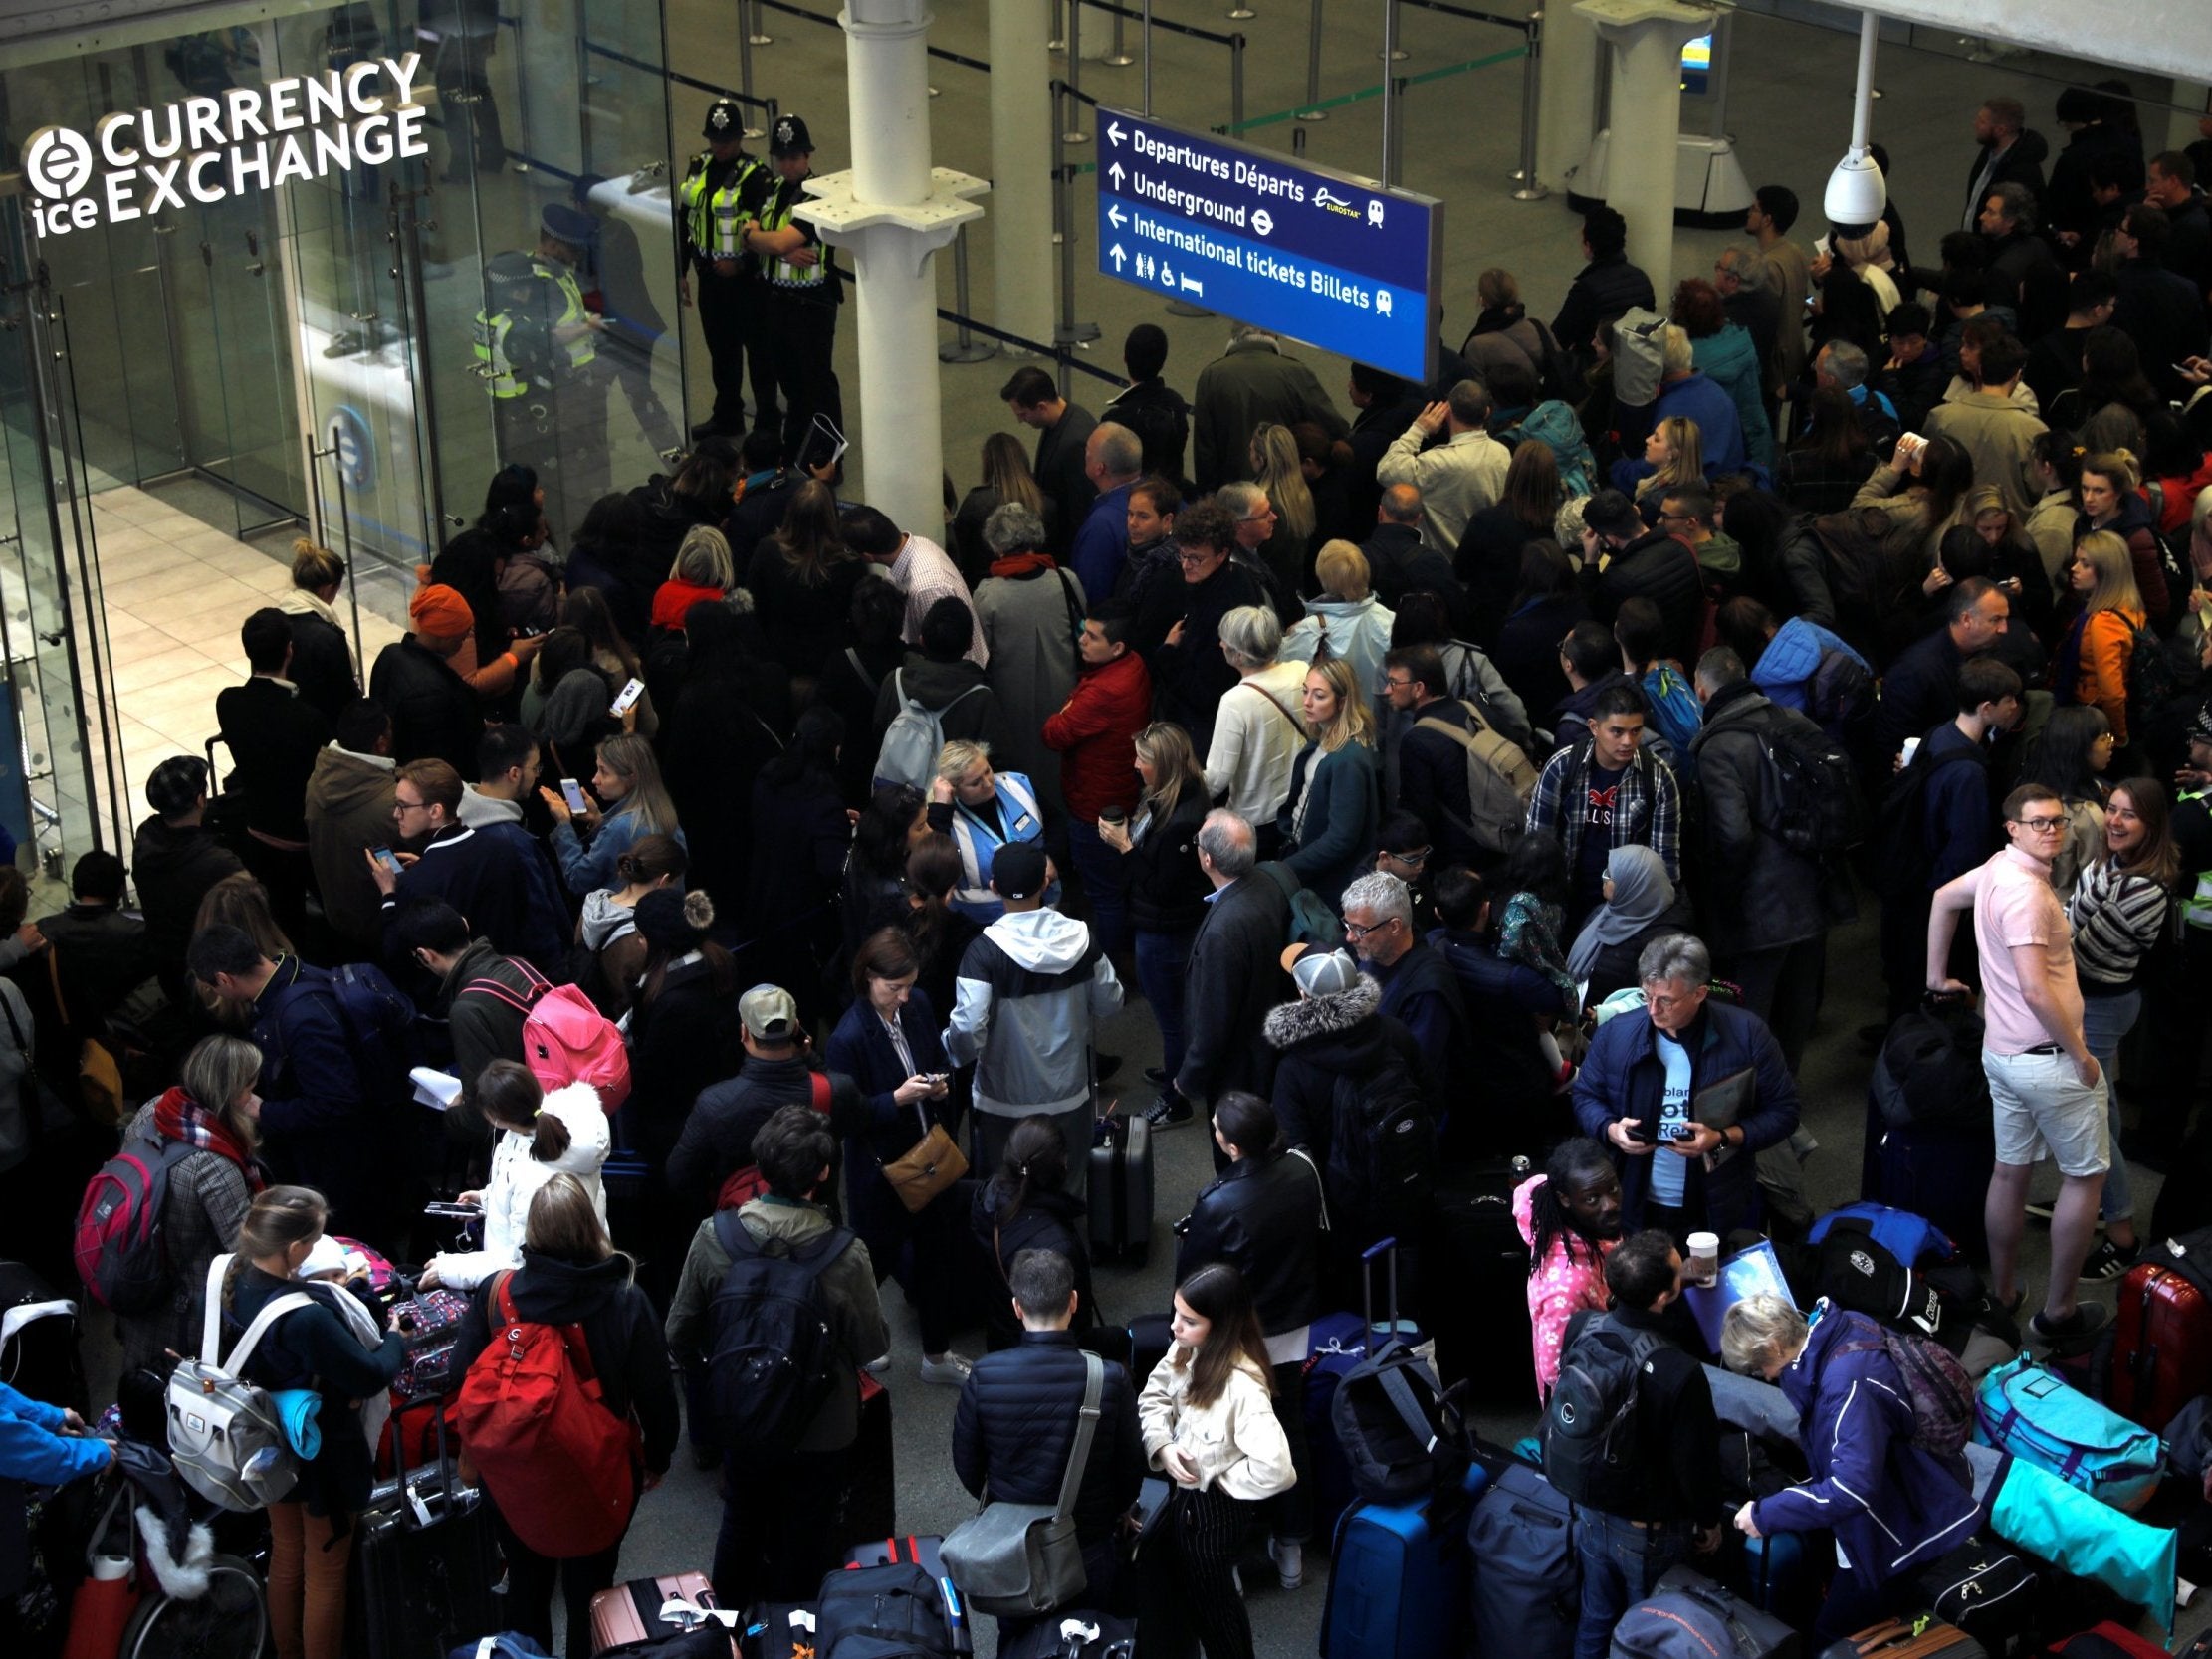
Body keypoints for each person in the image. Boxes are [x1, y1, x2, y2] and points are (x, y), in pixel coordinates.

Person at [666, 1103, 886, 1611]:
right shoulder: (845, 1254)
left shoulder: (713, 1237)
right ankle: (796, 1633)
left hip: (742, 1415)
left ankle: (726, 1632)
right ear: (824, 1173)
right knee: (808, 1535)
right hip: (823, 1424)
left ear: (759, 1170)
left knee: (740, 1519)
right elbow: (873, 1347)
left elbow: (679, 1333)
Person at [451, 1175, 676, 1659]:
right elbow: (656, 1393)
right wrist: (658, 1458)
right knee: (590, 1594)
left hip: (512, 1475)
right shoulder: (624, 1300)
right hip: (599, 1472)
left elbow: (457, 1376)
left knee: (527, 1587)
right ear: (591, 1228)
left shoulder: (498, 1295)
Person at [1926, 784, 2111, 1347]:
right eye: (2037, 823)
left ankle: (2002, 1294)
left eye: (2057, 822)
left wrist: (1936, 977)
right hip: (2049, 1060)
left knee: (2010, 1171)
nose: (2051, 831)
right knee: (2085, 1176)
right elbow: (2036, 990)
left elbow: (1940, 898)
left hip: (2002, 1056)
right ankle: (2058, 1315)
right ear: (2013, 828)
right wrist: (2082, 1058)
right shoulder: (2028, 896)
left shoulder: (1993, 871)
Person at [1722, 1294, 1981, 1642]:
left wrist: (1766, 1514)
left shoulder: (1845, 1384)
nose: (1765, 1378)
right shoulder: (1845, 1326)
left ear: (1774, 1345)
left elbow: (1851, 1488)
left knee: (1834, 1632)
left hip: (1898, 1529)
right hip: (1912, 1484)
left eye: (1758, 1368)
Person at [220, 1185, 406, 1659]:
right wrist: (395, 1338)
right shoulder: (305, 1316)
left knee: (287, 1554)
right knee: (326, 1574)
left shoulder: (229, 1277)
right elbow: (369, 1375)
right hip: (321, 1453)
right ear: (296, 1249)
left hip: (266, 1443)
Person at [1175, 1093, 1323, 1592]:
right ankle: (1292, 1549)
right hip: (1293, 1323)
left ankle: (1230, 1558)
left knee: (1226, 1440)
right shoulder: (1303, 1171)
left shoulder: (1217, 1202)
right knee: (1289, 1429)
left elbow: (1193, 1280)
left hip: (1239, 1337)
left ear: (1232, 1145)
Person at [953, 1247, 1148, 1626]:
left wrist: (1001, 1501)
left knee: (1020, 1638)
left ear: (1017, 1307)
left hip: (1013, 1548)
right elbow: (1130, 1467)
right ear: (1074, 1302)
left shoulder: (985, 1375)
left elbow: (967, 1464)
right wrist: (1116, 1511)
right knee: (1090, 1637)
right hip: (1087, 1542)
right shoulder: (1109, 1378)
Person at [1572, 933, 1802, 1242]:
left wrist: (1722, 1138)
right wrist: (1611, 1129)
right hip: (1633, 1198)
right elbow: (1586, 1095)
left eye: (1666, 1000)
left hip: (1714, 1203)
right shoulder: (1616, 1034)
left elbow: (1785, 1111)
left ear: (1700, 993)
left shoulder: (1747, 1035)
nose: (1653, 1010)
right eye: (1646, 996)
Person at [1560, 1229, 1721, 1659]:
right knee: (1647, 1633)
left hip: (1590, 1506)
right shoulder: (1678, 1371)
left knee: (1595, 1615)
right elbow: (1696, 1463)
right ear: (1666, 1296)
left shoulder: (1581, 1326)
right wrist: (1709, 1521)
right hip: (1648, 1530)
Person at [1688, 647, 1850, 1067]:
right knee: (1797, 1011)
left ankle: (1749, 1108)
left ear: (1701, 691)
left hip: (1760, 909)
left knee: (1749, 1015)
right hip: (1813, 891)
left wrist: (1721, 898)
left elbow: (1732, 836)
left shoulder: (1718, 749)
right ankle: (1786, 1096)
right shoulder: (1794, 721)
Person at [185, 926, 393, 1244]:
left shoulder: (301, 1016)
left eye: (214, 988)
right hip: (349, 1151)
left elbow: (336, 1101)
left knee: (357, 1240)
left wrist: (264, 1112)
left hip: (344, 1163)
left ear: (225, 980)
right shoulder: (296, 974)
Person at [828, 929, 973, 1383]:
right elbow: (846, 1119)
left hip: (930, 1157)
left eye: (909, 985)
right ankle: (859, 1347)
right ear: (868, 978)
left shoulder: (920, 1006)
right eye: (894, 988)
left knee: (937, 1257)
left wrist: (940, 1083)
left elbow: (935, 1056)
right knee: (873, 1265)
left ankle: (936, 1356)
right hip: (882, 1174)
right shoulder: (848, 1038)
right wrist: (897, 1098)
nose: (904, 996)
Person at [1137, 1262, 1297, 1659]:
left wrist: (1217, 1476)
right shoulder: (1187, 1347)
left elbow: (1277, 1469)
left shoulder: (1243, 1390)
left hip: (1214, 1512)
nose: (1174, 1326)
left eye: (1188, 1320)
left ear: (1221, 1325)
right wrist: (1162, 1445)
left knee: (1215, 1608)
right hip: (1186, 1502)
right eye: (1176, 1313)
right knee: (1193, 1593)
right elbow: (1154, 1395)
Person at [946, 841, 1122, 1189]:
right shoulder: (1082, 938)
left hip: (1003, 1100)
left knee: (1005, 1190)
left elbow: (967, 1031)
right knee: (1066, 1187)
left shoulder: (982, 953)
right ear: (1045, 883)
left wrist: (948, 1049)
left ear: (994, 887)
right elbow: (1111, 1002)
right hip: (1069, 1091)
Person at [2065, 777, 2176, 1281]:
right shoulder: (2113, 866)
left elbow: (2074, 941)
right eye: (2112, 809)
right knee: (2091, 1113)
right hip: (2088, 1000)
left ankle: (2123, 1233)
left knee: (2100, 1120)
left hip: (2107, 1007)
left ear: (2150, 826)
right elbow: (2071, 916)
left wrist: (2065, 912)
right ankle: (2091, 1199)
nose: (2114, 821)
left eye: (2129, 815)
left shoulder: (2146, 888)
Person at [113, 1035, 264, 1371]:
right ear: (228, 1093)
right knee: (180, 1395)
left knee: (140, 1384)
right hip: (186, 1307)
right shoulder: (214, 1162)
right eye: (248, 1088)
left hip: (136, 1272)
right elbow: (244, 1248)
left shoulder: (155, 1109)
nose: (254, 1096)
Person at [1100, 724, 1211, 1127]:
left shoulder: (1181, 819)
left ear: (1162, 766)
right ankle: (1180, 1071)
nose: (1135, 766)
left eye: (1142, 760)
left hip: (1166, 930)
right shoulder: (1178, 793)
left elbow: (1162, 888)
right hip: (1161, 924)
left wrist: (1124, 846)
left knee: (1171, 1019)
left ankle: (1175, 1099)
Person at [417, 1060, 608, 1293]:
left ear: (495, 1117)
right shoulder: (545, 1126)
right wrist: (485, 1199)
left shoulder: (535, 1182)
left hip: (546, 1297)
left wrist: (449, 1269)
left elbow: (523, 1266)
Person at [374, 757, 567, 977]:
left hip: (468, 992)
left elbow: (397, 955)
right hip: (519, 976)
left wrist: (389, 894)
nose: (395, 814)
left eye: (403, 806)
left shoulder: (415, 884)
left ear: (436, 811)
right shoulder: (504, 846)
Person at [1043, 597, 1154, 955]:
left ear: (1116, 647)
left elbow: (1053, 733)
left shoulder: (1103, 691)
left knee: (1103, 895)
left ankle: (1111, 967)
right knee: (1117, 886)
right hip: (1121, 791)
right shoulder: (1134, 664)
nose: (1081, 641)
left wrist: (1068, 708)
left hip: (1093, 806)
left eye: (1091, 637)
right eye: (1083, 632)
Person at [1526, 681, 1682, 933]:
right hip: (1563, 897)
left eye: (1636, 731)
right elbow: (1535, 847)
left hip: (1624, 908)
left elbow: (1665, 868)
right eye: (1617, 732)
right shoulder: (1561, 767)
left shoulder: (1658, 778)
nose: (1627, 742)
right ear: (1594, 728)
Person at [1174, 812, 1293, 1132]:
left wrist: (1187, 1079)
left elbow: (1215, 1017)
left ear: (1207, 860)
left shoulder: (1223, 931)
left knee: (1232, 1147)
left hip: (1237, 1066)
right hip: (1267, 1040)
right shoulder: (1272, 876)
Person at [975, 502, 1084, 815]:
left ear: (996, 545)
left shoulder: (988, 594)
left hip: (1011, 704)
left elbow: (980, 652)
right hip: (1066, 698)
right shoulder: (1065, 580)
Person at [745, 114, 842, 463]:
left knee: (817, 386)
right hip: (777, 302)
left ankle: (828, 458)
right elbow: (752, 233)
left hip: (811, 305)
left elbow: (776, 241)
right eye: (782, 157)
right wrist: (760, 240)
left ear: (808, 157)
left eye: (794, 157)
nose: (788, 164)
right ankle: (797, 450)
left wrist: (768, 242)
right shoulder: (771, 189)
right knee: (791, 386)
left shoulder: (817, 196)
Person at [676, 98, 769, 440]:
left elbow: (767, 229)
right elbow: (685, 219)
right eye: (715, 140)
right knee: (721, 351)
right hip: (709, 278)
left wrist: (742, 264)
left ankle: (765, 424)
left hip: (747, 283)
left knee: (758, 354)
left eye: (727, 141)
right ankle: (727, 415)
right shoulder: (698, 166)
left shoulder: (756, 176)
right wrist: (680, 270)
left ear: (740, 139)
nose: (720, 147)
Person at [1145, 503, 1266, 753]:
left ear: (1222, 554)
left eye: (1196, 558)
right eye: (1182, 555)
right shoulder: (1238, 576)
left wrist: (1168, 652)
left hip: (1206, 731)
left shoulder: (1223, 611)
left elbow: (1202, 693)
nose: (1186, 565)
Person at [972, 1117, 1099, 1350]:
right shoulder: (1057, 1244)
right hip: (1051, 1351)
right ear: (1062, 1166)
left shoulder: (986, 1196)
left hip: (1002, 1331)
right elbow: (1075, 1316)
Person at [1514, 1138, 1624, 1401]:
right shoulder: (1566, 1288)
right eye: (1592, 1198)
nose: (1610, 1205)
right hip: (1589, 1406)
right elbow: (1556, 1374)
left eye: (1613, 1189)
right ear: (1564, 1199)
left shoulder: (1574, 1210)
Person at [1873, 577, 2016, 778]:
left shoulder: (1991, 652)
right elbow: (1893, 744)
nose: (2004, 629)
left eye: (2005, 619)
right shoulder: (1915, 671)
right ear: (1967, 620)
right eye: (1995, 620)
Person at [1342, 869, 1472, 1087]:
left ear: (1394, 926)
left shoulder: (1428, 990)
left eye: (1359, 929)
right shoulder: (1372, 952)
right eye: (1347, 924)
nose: (1349, 937)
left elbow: (1417, 1067)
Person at [1274, 656, 1381, 913]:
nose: (1307, 702)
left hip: (1326, 880)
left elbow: (1341, 838)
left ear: (1342, 701)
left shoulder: (1349, 759)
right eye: (1305, 691)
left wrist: (1287, 869)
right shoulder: (1324, 737)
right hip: (1303, 853)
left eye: (1319, 695)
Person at [132, 754, 244, 1000]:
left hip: (170, 969)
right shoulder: (219, 864)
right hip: (215, 981)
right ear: (200, 799)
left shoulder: (146, 841)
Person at [1191, 322, 1347, 494]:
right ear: (1272, 335)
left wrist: (1207, 498)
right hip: (1285, 492)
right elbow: (1336, 429)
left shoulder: (1211, 376)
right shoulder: (1296, 372)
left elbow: (1205, 450)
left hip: (1231, 494)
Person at [1202, 605, 1307, 854]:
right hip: (1299, 807)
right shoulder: (1301, 671)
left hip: (1255, 821)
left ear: (1239, 655)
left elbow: (1216, 779)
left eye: (1225, 641)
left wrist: (1176, 788)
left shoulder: (1236, 700)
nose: (1220, 645)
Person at [744, 479, 870, 679]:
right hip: (831, 660)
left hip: (779, 654)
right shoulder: (850, 563)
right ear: (831, 515)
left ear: (791, 512)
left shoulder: (767, 551)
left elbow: (751, 604)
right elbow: (859, 616)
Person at [1374, 381, 1511, 555]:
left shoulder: (1437, 462)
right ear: (1487, 412)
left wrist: (1418, 429)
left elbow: (1386, 469)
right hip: (1480, 561)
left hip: (1440, 562)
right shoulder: (1502, 454)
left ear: (1448, 412)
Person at [542, 733, 684, 899]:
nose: (595, 780)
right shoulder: (666, 816)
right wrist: (598, 820)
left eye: (604, 772)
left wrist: (564, 825)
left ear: (631, 777)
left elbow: (577, 879)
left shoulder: (621, 827)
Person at [927, 739, 1052, 924]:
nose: (987, 783)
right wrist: (939, 812)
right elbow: (933, 868)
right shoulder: (943, 819)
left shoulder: (1016, 786)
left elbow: (1056, 823)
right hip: (983, 923)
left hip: (1042, 908)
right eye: (975, 782)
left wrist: (1053, 857)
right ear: (954, 789)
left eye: (987, 771)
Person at [849, 506, 991, 669]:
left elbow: (949, 656)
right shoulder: (910, 547)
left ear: (867, 556)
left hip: (955, 681)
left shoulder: (927, 587)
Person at [370, 584, 486, 777]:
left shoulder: (390, 654)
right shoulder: (430, 693)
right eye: (463, 635)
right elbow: (437, 761)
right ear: (447, 636)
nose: (464, 641)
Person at [1673, 278, 1775, 470]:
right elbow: (1754, 415)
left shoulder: (1682, 361)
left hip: (1697, 455)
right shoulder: (1742, 342)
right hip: (1738, 448)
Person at [579, 834, 684, 1017]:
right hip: (623, 1028)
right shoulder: (643, 934)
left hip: (589, 1015)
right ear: (664, 881)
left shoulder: (592, 906)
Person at [1000, 365, 1099, 549]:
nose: (1020, 421)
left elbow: (1080, 512)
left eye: (1023, 414)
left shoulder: (1075, 444)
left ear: (1041, 407)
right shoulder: (1061, 420)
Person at [1279, 542, 1396, 695]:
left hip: (1334, 716)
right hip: (1380, 714)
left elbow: (1286, 679)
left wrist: (1289, 638)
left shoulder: (1310, 628)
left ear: (1323, 579)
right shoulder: (1390, 618)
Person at [2077, 449, 2172, 630]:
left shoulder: (2136, 540)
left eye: (2099, 491)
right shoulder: (2084, 521)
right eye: (2084, 488)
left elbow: (2157, 605)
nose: (2088, 498)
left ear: (2118, 493)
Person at [1553, 206, 1657, 364]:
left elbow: (1559, 337)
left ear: (1589, 245)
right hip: (1634, 362)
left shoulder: (1585, 289)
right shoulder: (1641, 279)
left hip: (1593, 366)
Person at [276, 541, 359, 724]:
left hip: (285, 719)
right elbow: (345, 694)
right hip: (325, 727)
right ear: (329, 589)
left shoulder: (274, 621)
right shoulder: (327, 637)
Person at [1102, 322, 1193, 484]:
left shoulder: (1115, 420)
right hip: (1172, 492)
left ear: (1124, 358)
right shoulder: (1176, 403)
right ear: (1163, 362)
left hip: (1134, 500)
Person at [1071, 423, 1144, 600]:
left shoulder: (1101, 526)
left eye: (1087, 451)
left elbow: (1090, 592)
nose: (1084, 455)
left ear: (1100, 468)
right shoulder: (1169, 498)